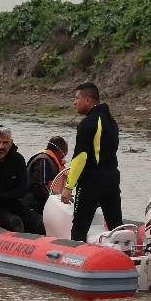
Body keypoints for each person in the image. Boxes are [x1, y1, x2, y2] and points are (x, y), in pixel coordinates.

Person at [60, 82, 123, 242]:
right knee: (116, 225)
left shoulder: (88, 122)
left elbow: (80, 158)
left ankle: (73, 260)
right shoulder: (110, 120)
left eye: (77, 98)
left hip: (92, 182)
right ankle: (123, 257)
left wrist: (68, 187)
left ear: (88, 100)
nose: (74, 102)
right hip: (112, 179)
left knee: (80, 225)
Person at [22, 135, 68, 215]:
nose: (64, 158)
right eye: (64, 155)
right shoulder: (43, 160)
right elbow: (40, 186)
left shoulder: (52, 161)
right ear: (59, 152)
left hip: (47, 202)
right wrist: (55, 204)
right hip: (34, 204)